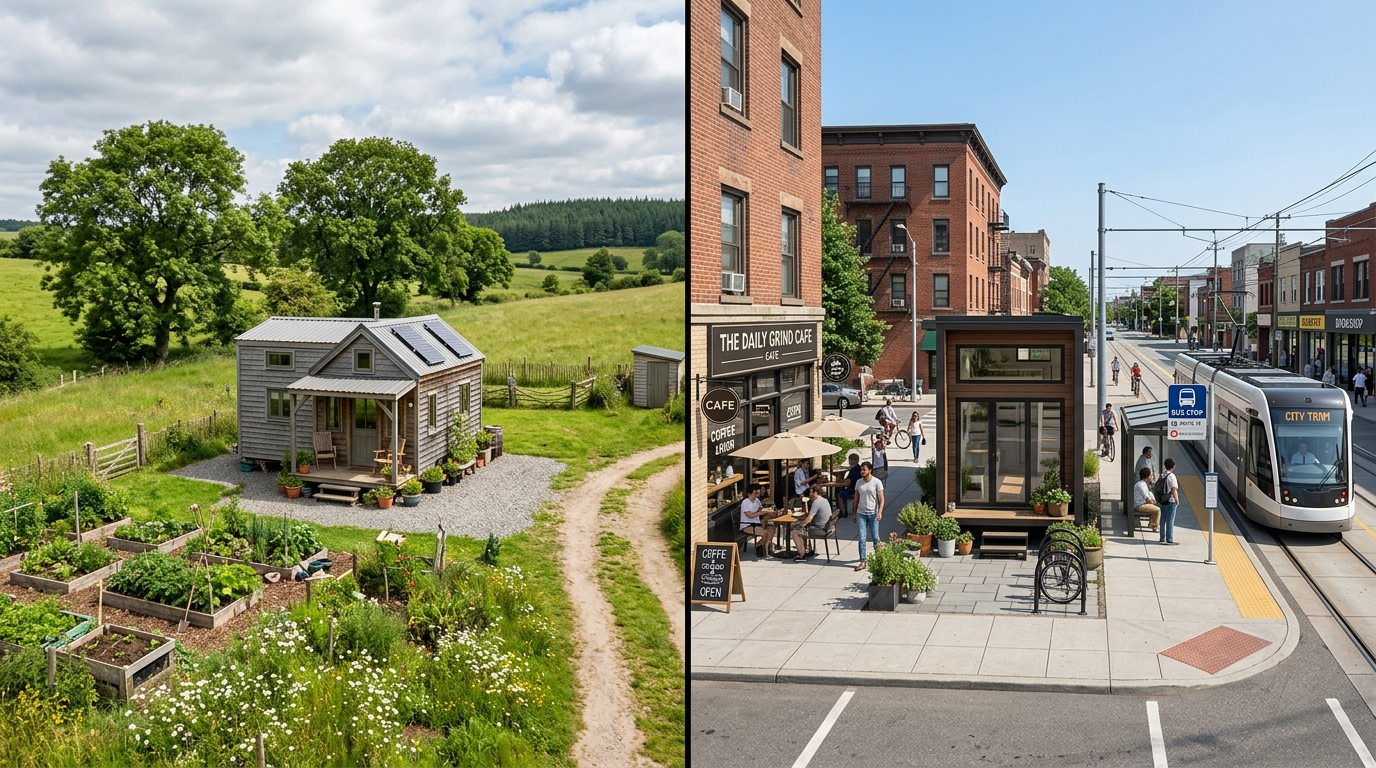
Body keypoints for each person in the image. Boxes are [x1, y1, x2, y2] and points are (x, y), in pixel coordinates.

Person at [852, 461, 885, 571]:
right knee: (862, 538)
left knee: (876, 538)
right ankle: (863, 561)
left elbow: (881, 499)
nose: (862, 472)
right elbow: (856, 498)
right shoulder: (858, 482)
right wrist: (854, 513)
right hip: (861, 514)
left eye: (864, 470)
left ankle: (880, 559)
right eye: (861, 470)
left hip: (873, 514)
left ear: (870, 470)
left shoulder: (877, 482)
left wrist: (880, 512)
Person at [789, 486, 832, 562]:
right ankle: (808, 549)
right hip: (827, 527)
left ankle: (801, 554)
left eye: (811, 492)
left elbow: (809, 518)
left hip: (819, 529)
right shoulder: (824, 500)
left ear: (815, 493)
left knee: (795, 532)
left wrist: (801, 525)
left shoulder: (816, 503)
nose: (810, 494)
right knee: (802, 528)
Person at [739, 484, 775, 558]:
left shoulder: (757, 501)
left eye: (758, 493)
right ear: (749, 493)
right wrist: (761, 513)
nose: (757, 495)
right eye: (755, 493)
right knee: (764, 532)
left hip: (757, 523)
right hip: (747, 525)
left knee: (771, 528)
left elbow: (760, 509)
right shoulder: (745, 502)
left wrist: (766, 511)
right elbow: (749, 515)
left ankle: (766, 548)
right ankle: (758, 545)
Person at [1133, 466, 1160, 532]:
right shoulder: (1141, 485)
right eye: (1151, 475)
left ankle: (1151, 524)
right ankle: (1154, 526)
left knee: (1154, 508)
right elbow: (1148, 499)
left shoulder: (1144, 484)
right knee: (1157, 510)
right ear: (1147, 477)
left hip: (1142, 504)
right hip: (1140, 506)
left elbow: (1149, 495)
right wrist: (1153, 502)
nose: (1152, 477)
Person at [1159, 458, 1180, 545]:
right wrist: (1177, 500)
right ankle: (1169, 538)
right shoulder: (1172, 476)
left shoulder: (1163, 474)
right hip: (1170, 500)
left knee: (1163, 519)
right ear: (1173, 466)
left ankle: (1162, 537)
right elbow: (1174, 489)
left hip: (1163, 499)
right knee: (1170, 520)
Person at [836, 453, 861, 518]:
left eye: (850, 460)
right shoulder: (859, 468)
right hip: (858, 489)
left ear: (854, 460)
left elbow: (848, 481)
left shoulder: (854, 470)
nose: (849, 462)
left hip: (853, 490)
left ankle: (842, 511)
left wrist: (842, 480)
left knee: (840, 494)